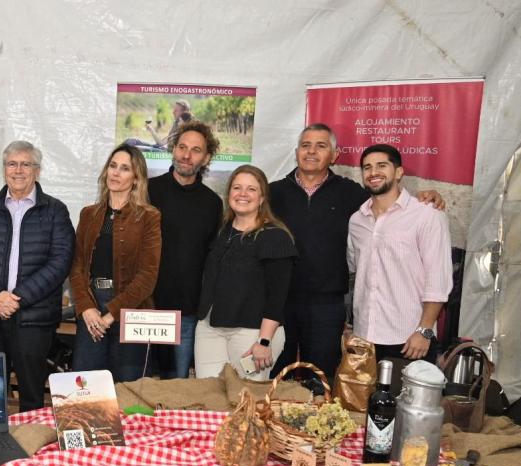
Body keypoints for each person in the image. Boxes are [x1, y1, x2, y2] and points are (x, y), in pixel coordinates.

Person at [270, 123, 445, 382]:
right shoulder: (272, 193)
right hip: (277, 300)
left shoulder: (353, 194)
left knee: (321, 380)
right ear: (297, 152)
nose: (311, 152)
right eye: (305, 145)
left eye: (321, 146)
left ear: (335, 155)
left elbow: (387, 198)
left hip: (326, 305)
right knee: (274, 371)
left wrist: (426, 197)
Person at [0, 141, 75, 412]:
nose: (18, 170)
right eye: (12, 164)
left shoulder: (55, 211)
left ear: (37, 170)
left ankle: (32, 450)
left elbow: (60, 262)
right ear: (4, 169)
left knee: (32, 396)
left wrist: (17, 299)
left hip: (33, 321)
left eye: (26, 164)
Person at [347, 144, 452, 363]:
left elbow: (438, 280)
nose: (373, 172)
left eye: (381, 165)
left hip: (410, 338)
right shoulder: (357, 220)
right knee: (365, 399)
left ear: (399, 172)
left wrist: (424, 331)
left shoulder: (426, 215)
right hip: (365, 337)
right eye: (367, 167)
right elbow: (356, 271)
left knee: (409, 398)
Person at [194, 165, 297, 380]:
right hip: (210, 329)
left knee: (246, 400)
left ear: (262, 198)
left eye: (251, 189)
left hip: (252, 335)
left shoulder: (275, 237)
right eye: (237, 187)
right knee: (208, 396)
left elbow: (278, 297)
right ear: (228, 193)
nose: (242, 194)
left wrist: (264, 341)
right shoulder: (222, 230)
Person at [69, 144, 161, 382]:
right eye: (112, 166)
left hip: (130, 310)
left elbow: (148, 276)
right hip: (91, 306)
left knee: (128, 388)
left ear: (136, 178)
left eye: (124, 168)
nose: (116, 173)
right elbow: (77, 266)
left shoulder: (149, 217)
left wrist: (111, 315)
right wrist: (86, 309)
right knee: (86, 387)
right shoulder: (88, 214)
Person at [148, 121, 223, 378]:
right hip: (146, 308)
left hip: (187, 313)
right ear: (173, 149)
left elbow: (212, 259)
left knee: (178, 387)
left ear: (206, 157)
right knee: (138, 384)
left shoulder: (212, 203)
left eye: (195, 150)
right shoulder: (147, 191)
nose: (186, 155)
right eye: (182, 147)